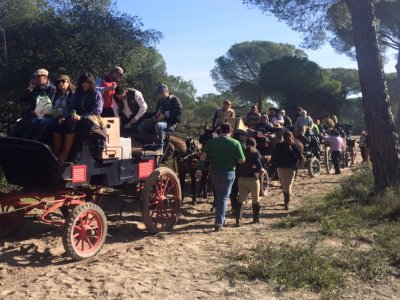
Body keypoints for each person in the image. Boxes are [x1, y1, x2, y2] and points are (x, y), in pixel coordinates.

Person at [196, 122, 245, 231]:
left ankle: (220, 219)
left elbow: (203, 155)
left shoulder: (212, 142)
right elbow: (241, 160)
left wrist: (199, 168)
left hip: (214, 172)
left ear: (220, 131)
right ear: (230, 131)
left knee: (218, 196)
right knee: (223, 198)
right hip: (228, 173)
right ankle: (219, 222)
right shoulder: (235, 143)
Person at [61, 72, 103, 161]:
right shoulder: (77, 93)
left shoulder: (96, 93)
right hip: (76, 118)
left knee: (83, 126)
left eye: (87, 82)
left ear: (91, 83)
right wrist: (65, 117)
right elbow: (71, 107)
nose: (85, 84)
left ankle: (74, 155)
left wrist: (81, 117)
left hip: (92, 119)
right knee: (60, 125)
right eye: (83, 82)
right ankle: (62, 152)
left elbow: (97, 110)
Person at [12, 69, 56, 139]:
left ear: (44, 78)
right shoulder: (35, 89)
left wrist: (39, 112)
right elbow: (22, 99)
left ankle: (30, 144)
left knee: (33, 123)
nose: (35, 80)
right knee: (20, 126)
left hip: (44, 116)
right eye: (34, 78)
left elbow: (52, 107)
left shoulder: (53, 90)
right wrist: (30, 88)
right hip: (30, 115)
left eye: (37, 78)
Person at [138, 84, 183, 154]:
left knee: (159, 125)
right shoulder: (160, 102)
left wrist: (165, 115)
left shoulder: (174, 99)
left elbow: (179, 112)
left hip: (170, 123)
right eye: (160, 94)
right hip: (159, 122)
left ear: (166, 92)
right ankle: (150, 144)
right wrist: (145, 115)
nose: (160, 95)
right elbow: (156, 113)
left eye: (161, 93)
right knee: (142, 126)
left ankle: (160, 147)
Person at [271, 131, 303, 210]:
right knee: (288, 185)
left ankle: (286, 201)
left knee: (283, 183)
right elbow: (300, 157)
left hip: (280, 167)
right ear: (291, 136)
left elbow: (274, 155)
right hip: (291, 168)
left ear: (283, 137)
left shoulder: (278, 145)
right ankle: (287, 203)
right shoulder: (295, 146)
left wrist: (274, 164)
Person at [236, 137, 263, 226]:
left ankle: (238, 220)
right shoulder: (256, 152)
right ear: (255, 144)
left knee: (241, 200)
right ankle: (256, 219)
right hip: (252, 179)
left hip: (241, 179)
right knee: (255, 200)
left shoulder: (241, 151)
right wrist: (252, 169)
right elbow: (259, 167)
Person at [51, 75, 76, 159]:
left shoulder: (73, 94)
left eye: (63, 81)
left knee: (68, 126)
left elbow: (72, 108)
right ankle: (56, 151)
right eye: (59, 82)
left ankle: (65, 153)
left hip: (69, 117)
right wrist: (55, 115)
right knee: (53, 125)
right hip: (58, 117)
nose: (60, 83)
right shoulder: (56, 94)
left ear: (68, 83)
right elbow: (52, 106)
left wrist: (64, 117)